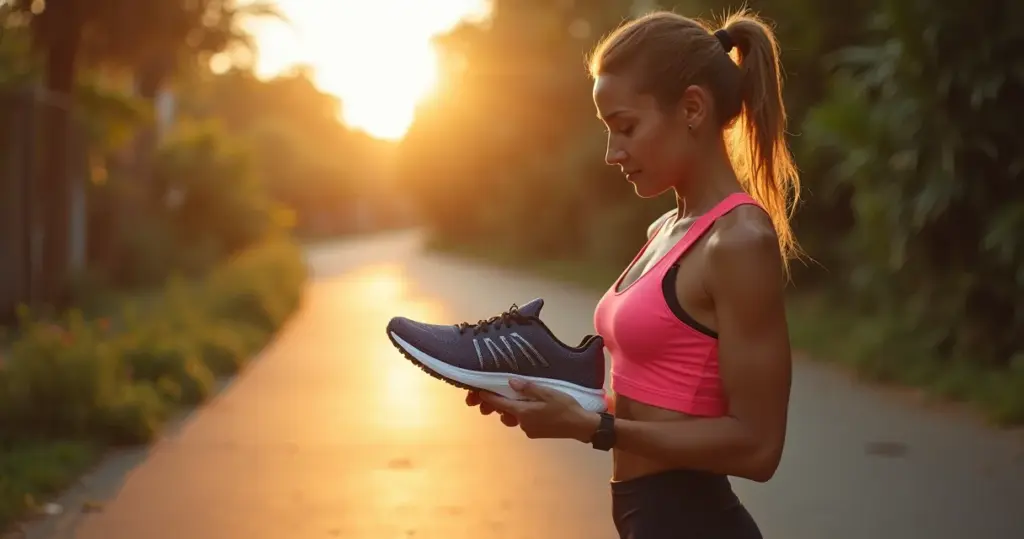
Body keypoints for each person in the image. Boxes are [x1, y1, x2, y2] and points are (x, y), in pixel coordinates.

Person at [465, 8, 798, 539]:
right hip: (646, 518)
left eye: (626, 127)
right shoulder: (666, 229)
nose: (611, 153)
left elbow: (757, 448)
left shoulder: (739, 242)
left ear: (692, 108)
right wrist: (564, 404)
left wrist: (594, 428)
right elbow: (662, 399)